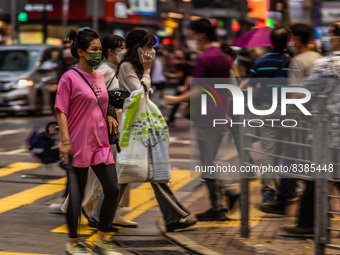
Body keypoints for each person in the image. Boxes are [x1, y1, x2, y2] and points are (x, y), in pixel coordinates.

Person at [115, 29, 197, 232]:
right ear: (137, 48)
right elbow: (141, 92)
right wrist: (148, 70)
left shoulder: (133, 65)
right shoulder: (126, 66)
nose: (152, 51)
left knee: (143, 172)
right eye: (148, 47)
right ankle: (100, 215)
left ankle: (172, 217)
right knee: (126, 173)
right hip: (133, 126)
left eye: (153, 47)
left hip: (142, 124)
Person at [55, 29, 122, 255]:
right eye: (94, 50)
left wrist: (110, 114)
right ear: (81, 52)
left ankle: (102, 237)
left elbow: (102, 102)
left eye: (100, 50)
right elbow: (61, 110)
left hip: (100, 142)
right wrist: (65, 141)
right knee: (77, 194)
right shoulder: (69, 78)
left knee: (113, 189)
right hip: (78, 142)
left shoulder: (100, 76)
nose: (98, 54)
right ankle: (73, 243)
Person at [281, 22, 340, 234]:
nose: (329, 39)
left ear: (336, 39)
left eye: (331, 35)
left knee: (317, 179)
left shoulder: (326, 64)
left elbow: (302, 94)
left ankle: (309, 225)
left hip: (328, 132)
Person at [259, 23, 322, 215]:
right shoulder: (319, 59)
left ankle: (282, 196)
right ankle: (310, 197)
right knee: (310, 157)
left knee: (286, 156)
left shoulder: (297, 61)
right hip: (318, 118)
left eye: (293, 38)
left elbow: (295, 94)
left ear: (297, 39)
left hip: (298, 118)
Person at [82, 34, 138, 228]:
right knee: (110, 169)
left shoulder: (123, 69)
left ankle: (118, 210)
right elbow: (93, 98)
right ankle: (92, 206)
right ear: (110, 51)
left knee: (123, 168)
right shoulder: (105, 71)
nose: (124, 51)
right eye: (120, 47)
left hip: (124, 123)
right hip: (109, 125)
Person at [248, 26, 292, 204]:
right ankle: (288, 187)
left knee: (268, 150)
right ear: (288, 42)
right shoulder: (292, 62)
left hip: (267, 109)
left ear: (271, 42)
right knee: (289, 149)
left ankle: (268, 190)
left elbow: (251, 87)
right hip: (290, 109)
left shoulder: (260, 62)